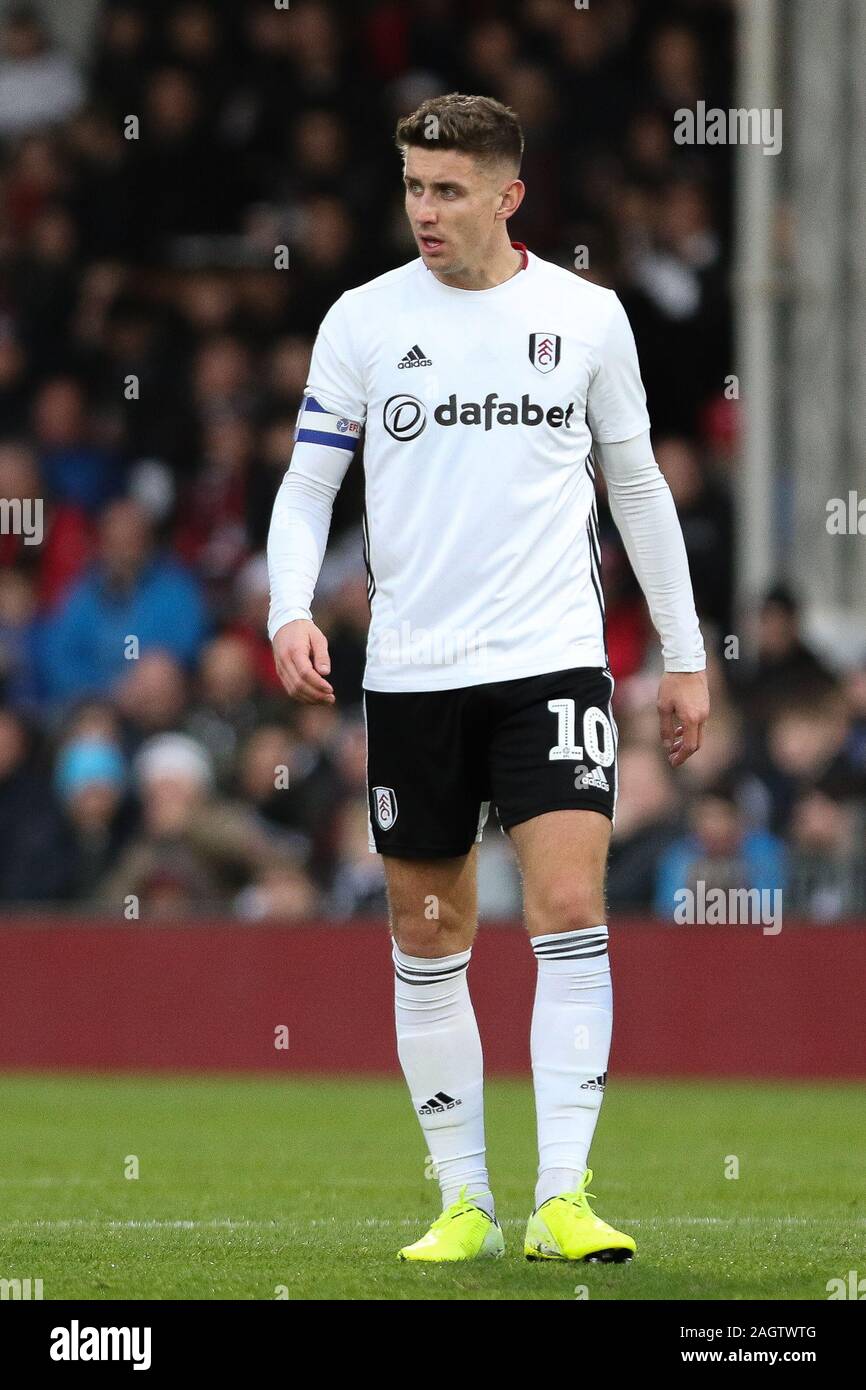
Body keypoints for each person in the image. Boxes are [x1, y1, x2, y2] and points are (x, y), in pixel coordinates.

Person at [267, 93, 709, 1265]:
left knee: (567, 907)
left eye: (448, 190)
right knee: (428, 935)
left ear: (508, 197)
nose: (424, 209)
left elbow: (640, 492)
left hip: (551, 659)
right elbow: (309, 483)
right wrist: (287, 607)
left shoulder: (585, 318)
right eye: (413, 186)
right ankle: (462, 1200)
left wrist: (683, 653)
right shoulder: (362, 320)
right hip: (412, 675)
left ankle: (561, 1196)